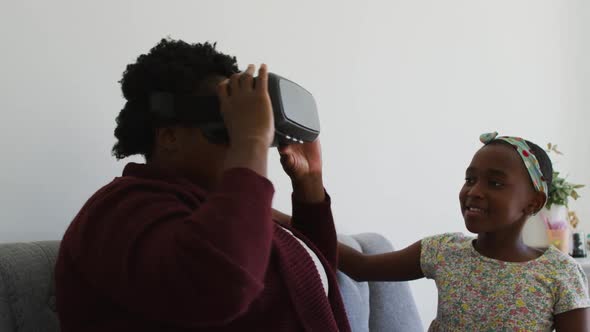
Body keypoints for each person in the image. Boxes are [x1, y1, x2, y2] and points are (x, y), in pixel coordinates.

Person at [55, 38, 351, 332]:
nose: (241, 139)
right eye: (228, 129)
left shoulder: (219, 208)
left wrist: (309, 182)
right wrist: (249, 142)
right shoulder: (117, 211)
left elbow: (310, 282)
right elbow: (221, 286)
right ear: (169, 136)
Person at [338, 132, 590, 331]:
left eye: (495, 183)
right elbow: (361, 268)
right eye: (470, 179)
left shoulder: (560, 273)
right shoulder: (443, 251)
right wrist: (300, 223)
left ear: (533, 202)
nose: (474, 191)